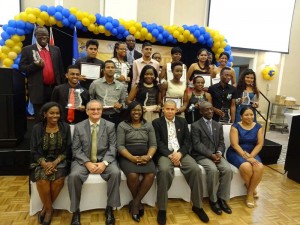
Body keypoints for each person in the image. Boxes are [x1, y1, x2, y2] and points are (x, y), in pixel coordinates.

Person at [152, 100, 209, 225]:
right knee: (164, 170)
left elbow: (187, 141)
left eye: (172, 109)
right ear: (163, 109)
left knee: (195, 169)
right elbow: (157, 142)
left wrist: (180, 154)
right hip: (165, 154)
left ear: (176, 110)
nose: (170, 111)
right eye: (167, 109)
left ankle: (198, 206)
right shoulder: (156, 123)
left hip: (181, 153)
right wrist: (170, 154)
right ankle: (162, 208)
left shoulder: (182, 122)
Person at [68, 100, 121, 225]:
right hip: (83, 161)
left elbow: (113, 147)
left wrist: (104, 163)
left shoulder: (110, 126)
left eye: (98, 109)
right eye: (92, 109)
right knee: (74, 176)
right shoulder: (79, 126)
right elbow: (76, 149)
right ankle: (75, 211)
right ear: (87, 111)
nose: (95, 112)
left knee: (115, 172)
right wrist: (87, 163)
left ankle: (110, 208)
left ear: (102, 111)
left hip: (104, 159)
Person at [30, 102, 71, 225]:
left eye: (57, 113)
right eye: (51, 113)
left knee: (58, 180)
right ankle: (49, 210)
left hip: (61, 160)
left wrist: (55, 162)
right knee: (42, 180)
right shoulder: (37, 128)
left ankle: (45, 209)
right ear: (45, 114)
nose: (55, 115)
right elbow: (34, 150)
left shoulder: (65, 127)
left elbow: (68, 149)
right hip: (40, 161)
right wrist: (44, 164)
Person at [117, 101, 157, 222]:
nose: (136, 112)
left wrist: (148, 157)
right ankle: (137, 203)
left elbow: (153, 144)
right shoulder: (122, 125)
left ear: (142, 111)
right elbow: (120, 146)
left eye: (139, 110)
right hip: (127, 157)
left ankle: (135, 203)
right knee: (133, 175)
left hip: (145, 156)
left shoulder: (148, 125)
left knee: (150, 174)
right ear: (129, 111)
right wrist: (132, 158)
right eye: (134, 110)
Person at [191, 101, 233, 215]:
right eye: (206, 110)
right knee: (213, 170)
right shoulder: (195, 126)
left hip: (217, 155)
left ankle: (222, 199)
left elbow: (221, 142)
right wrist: (211, 155)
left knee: (228, 170)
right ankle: (213, 200)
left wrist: (219, 152)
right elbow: (197, 145)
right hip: (202, 156)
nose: (210, 111)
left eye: (211, 109)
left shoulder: (218, 125)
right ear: (201, 112)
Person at [19, 26, 64, 117]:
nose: (44, 38)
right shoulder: (27, 50)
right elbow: (22, 68)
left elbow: (60, 69)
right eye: (41, 35)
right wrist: (34, 65)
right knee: (40, 117)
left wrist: (61, 86)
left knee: (54, 115)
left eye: (46, 36)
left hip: (54, 89)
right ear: (35, 36)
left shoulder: (56, 49)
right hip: (38, 90)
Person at [226, 106, 264, 208]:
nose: (249, 117)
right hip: (236, 152)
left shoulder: (258, 127)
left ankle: (249, 191)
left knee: (259, 167)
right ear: (241, 116)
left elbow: (259, 144)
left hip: (252, 153)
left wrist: (251, 156)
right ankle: (251, 191)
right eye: (246, 115)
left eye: (251, 114)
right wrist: (247, 158)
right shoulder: (235, 127)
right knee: (246, 167)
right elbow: (235, 145)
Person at [89, 60, 126, 126]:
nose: (110, 69)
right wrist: (97, 107)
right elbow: (90, 100)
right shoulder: (95, 84)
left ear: (115, 70)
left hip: (116, 117)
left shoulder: (121, 86)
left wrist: (121, 106)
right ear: (103, 70)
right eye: (108, 67)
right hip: (100, 116)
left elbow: (124, 102)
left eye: (112, 67)